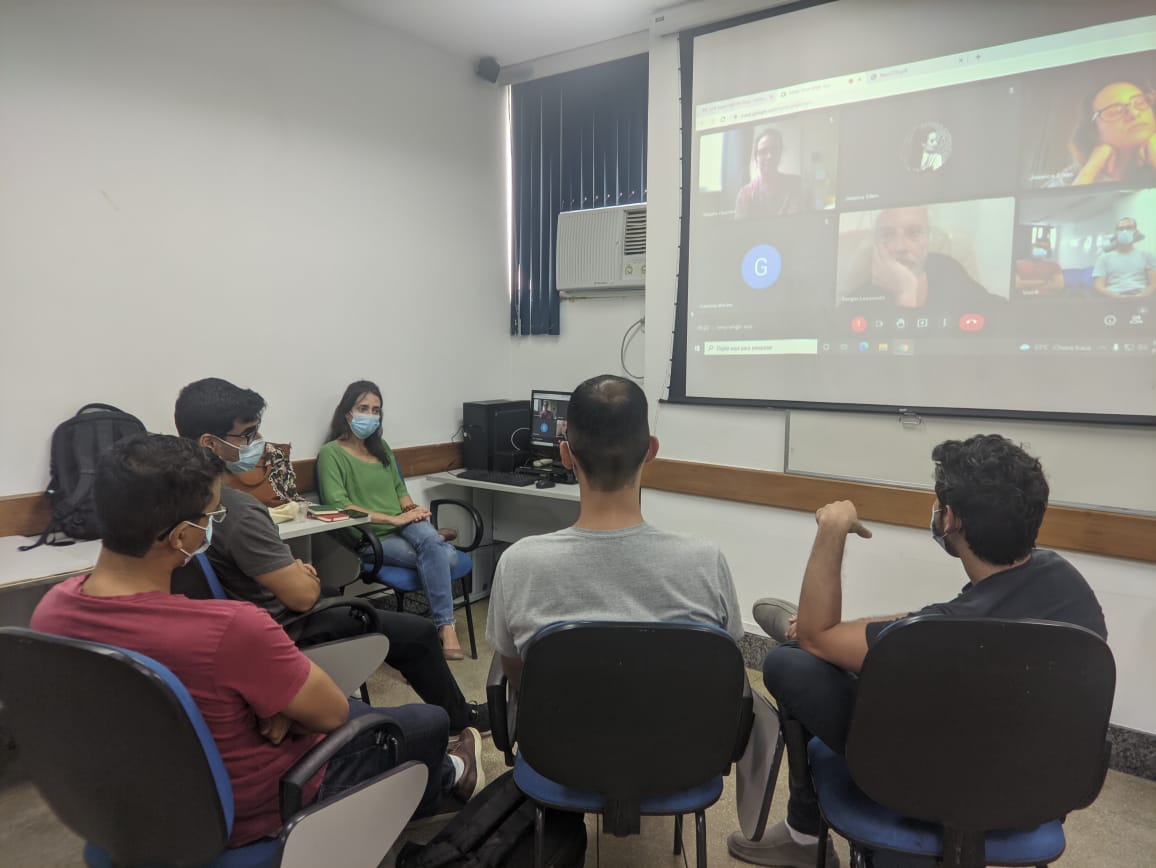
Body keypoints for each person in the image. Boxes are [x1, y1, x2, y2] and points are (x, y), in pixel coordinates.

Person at [30, 434, 483, 848]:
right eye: (212, 515)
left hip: (129, 809)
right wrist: (280, 707)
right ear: (184, 536)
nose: (215, 523)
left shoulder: (50, 611)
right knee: (427, 721)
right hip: (256, 812)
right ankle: (450, 777)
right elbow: (332, 713)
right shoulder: (232, 629)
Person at [727, 434, 1107, 868]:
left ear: (949, 519)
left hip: (921, 782)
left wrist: (833, 528)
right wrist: (871, 632)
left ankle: (803, 832)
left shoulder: (939, 635)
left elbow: (818, 634)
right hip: (1041, 793)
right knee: (854, 653)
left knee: (791, 662)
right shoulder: (1069, 588)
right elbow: (954, 618)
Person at [173, 378, 489, 732]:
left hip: (250, 620)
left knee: (429, 546)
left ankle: (434, 544)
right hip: (289, 625)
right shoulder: (240, 510)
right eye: (247, 435)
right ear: (210, 444)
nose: (257, 445)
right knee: (418, 633)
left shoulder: (181, 501)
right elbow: (304, 595)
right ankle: (461, 720)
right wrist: (298, 571)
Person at [486, 375, 744, 688]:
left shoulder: (518, 564)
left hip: (563, 736)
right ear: (651, 450)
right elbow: (724, 667)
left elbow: (518, 678)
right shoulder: (706, 561)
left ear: (566, 455)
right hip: (678, 736)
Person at [316, 380, 467, 659]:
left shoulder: (381, 447)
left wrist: (412, 510)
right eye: (363, 408)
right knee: (446, 557)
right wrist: (393, 521)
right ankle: (446, 626)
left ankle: (432, 541)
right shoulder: (331, 454)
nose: (370, 415)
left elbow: (399, 490)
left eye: (376, 410)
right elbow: (340, 505)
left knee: (432, 547)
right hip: (372, 536)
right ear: (347, 412)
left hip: (403, 523)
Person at [844, 206, 999, 314]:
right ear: (876, 244)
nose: (900, 247)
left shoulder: (947, 269)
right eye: (888, 234)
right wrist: (905, 293)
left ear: (927, 239)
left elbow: (997, 311)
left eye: (914, 233)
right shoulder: (860, 300)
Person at [1064, 81, 1156, 187]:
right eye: (1115, 111)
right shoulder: (1070, 176)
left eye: (1140, 103)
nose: (1134, 114)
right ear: (1092, 131)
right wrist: (1091, 169)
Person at [735, 129, 803, 219]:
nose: (769, 156)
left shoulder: (794, 183)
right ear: (756, 158)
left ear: (780, 153)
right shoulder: (745, 194)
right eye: (763, 151)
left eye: (774, 150)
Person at [1092, 217, 1156, 298]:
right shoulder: (1104, 259)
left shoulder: (1147, 256)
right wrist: (1117, 297)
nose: (1124, 231)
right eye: (1120, 229)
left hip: (1140, 299)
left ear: (1136, 232)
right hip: (1113, 299)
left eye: (1129, 228)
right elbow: (1098, 286)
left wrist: (1141, 297)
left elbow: (1154, 283)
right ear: (1115, 233)